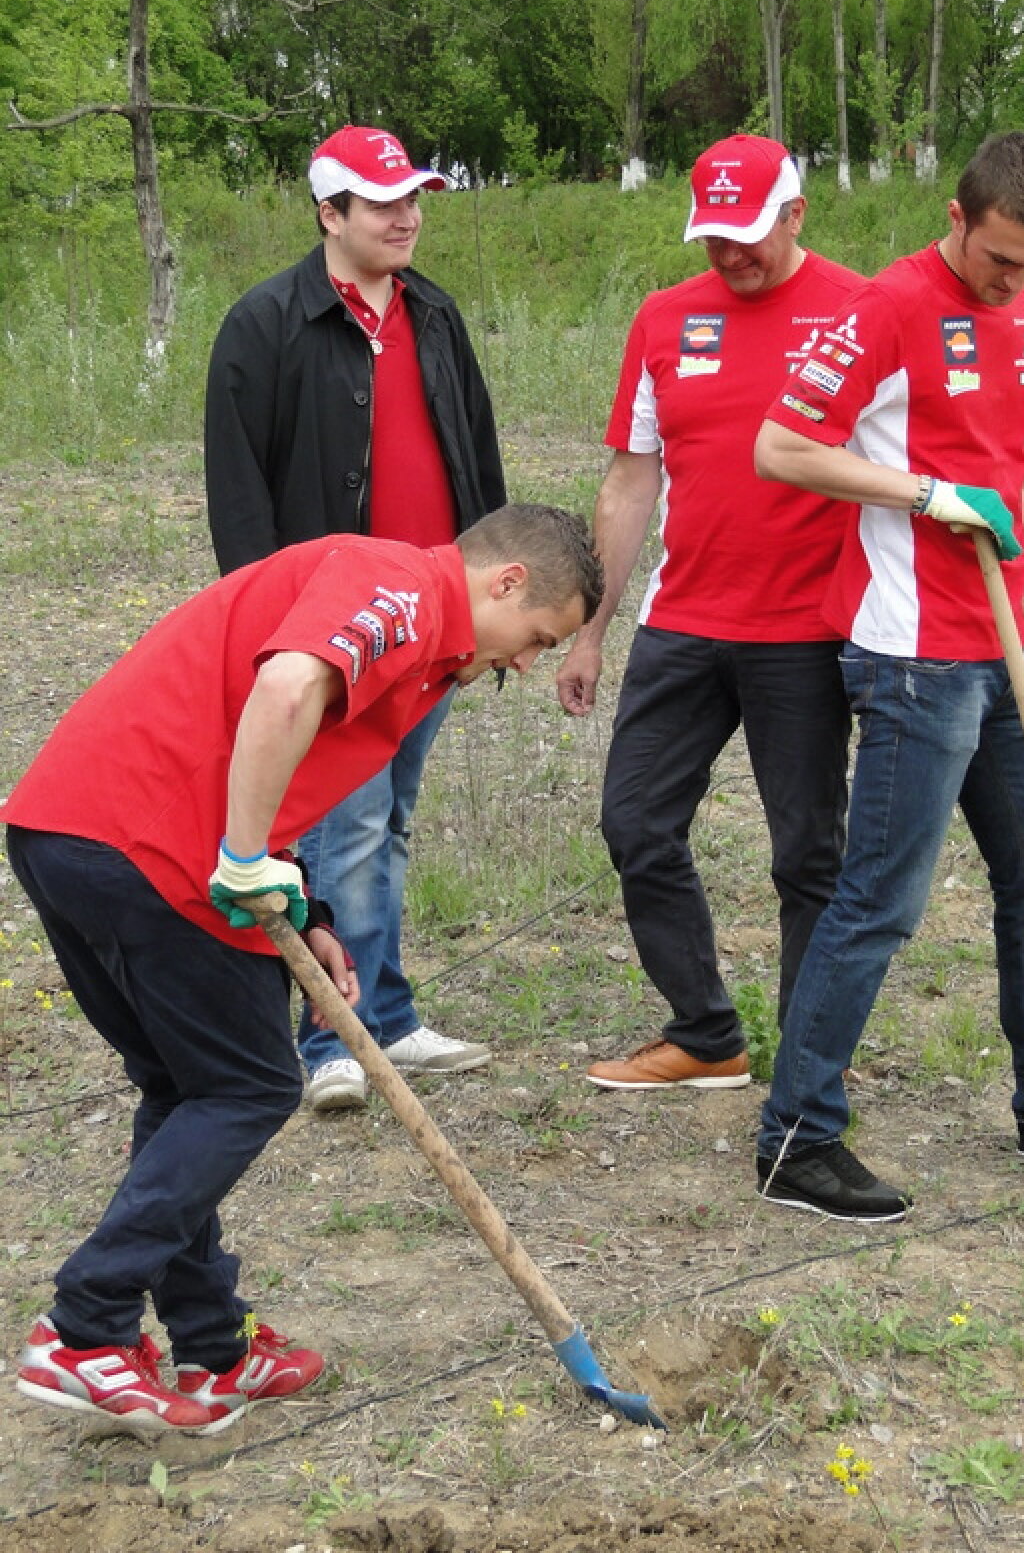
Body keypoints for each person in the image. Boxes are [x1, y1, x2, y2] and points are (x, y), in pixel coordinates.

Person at [3, 505, 604, 1435]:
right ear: (506, 582)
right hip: (147, 839)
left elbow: (293, 756)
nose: (525, 664)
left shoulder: (426, 638)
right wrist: (244, 857)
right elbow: (286, 690)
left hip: (79, 830)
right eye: (537, 639)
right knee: (246, 1088)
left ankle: (213, 1347)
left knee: (188, 1088)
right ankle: (86, 1328)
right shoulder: (401, 588)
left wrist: (300, 903)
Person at [752, 131, 1024, 1224]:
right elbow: (782, 448)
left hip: (1001, 646)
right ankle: (797, 1137)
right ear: (956, 216)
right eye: (998, 260)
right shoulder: (890, 306)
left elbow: (1004, 475)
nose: (1014, 281)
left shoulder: (1020, 308)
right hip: (912, 655)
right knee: (881, 903)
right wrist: (921, 495)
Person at [205, 124, 506, 1112]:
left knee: (390, 816)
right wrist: (270, 628)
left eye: (413, 197)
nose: (406, 216)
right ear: (329, 213)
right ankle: (335, 1037)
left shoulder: (436, 313)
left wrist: (488, 601)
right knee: (346, 820)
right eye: (382, 203)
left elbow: (478, 457)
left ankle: (385, 1010)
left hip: (435, 624)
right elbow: (239, 491)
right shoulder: (265, 325)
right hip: (335, 633)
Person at [556, 135, 863, 1090]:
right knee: (636, 825)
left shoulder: (859, 311)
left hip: (807, 634)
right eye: (712, 237)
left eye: (749, 233)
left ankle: (809, 1067)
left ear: (797, 212)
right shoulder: (663, 319)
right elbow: (631, 478)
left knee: (806, 856)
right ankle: (705, 1033)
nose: (730, 255)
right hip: (684, 624)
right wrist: (594, 629)